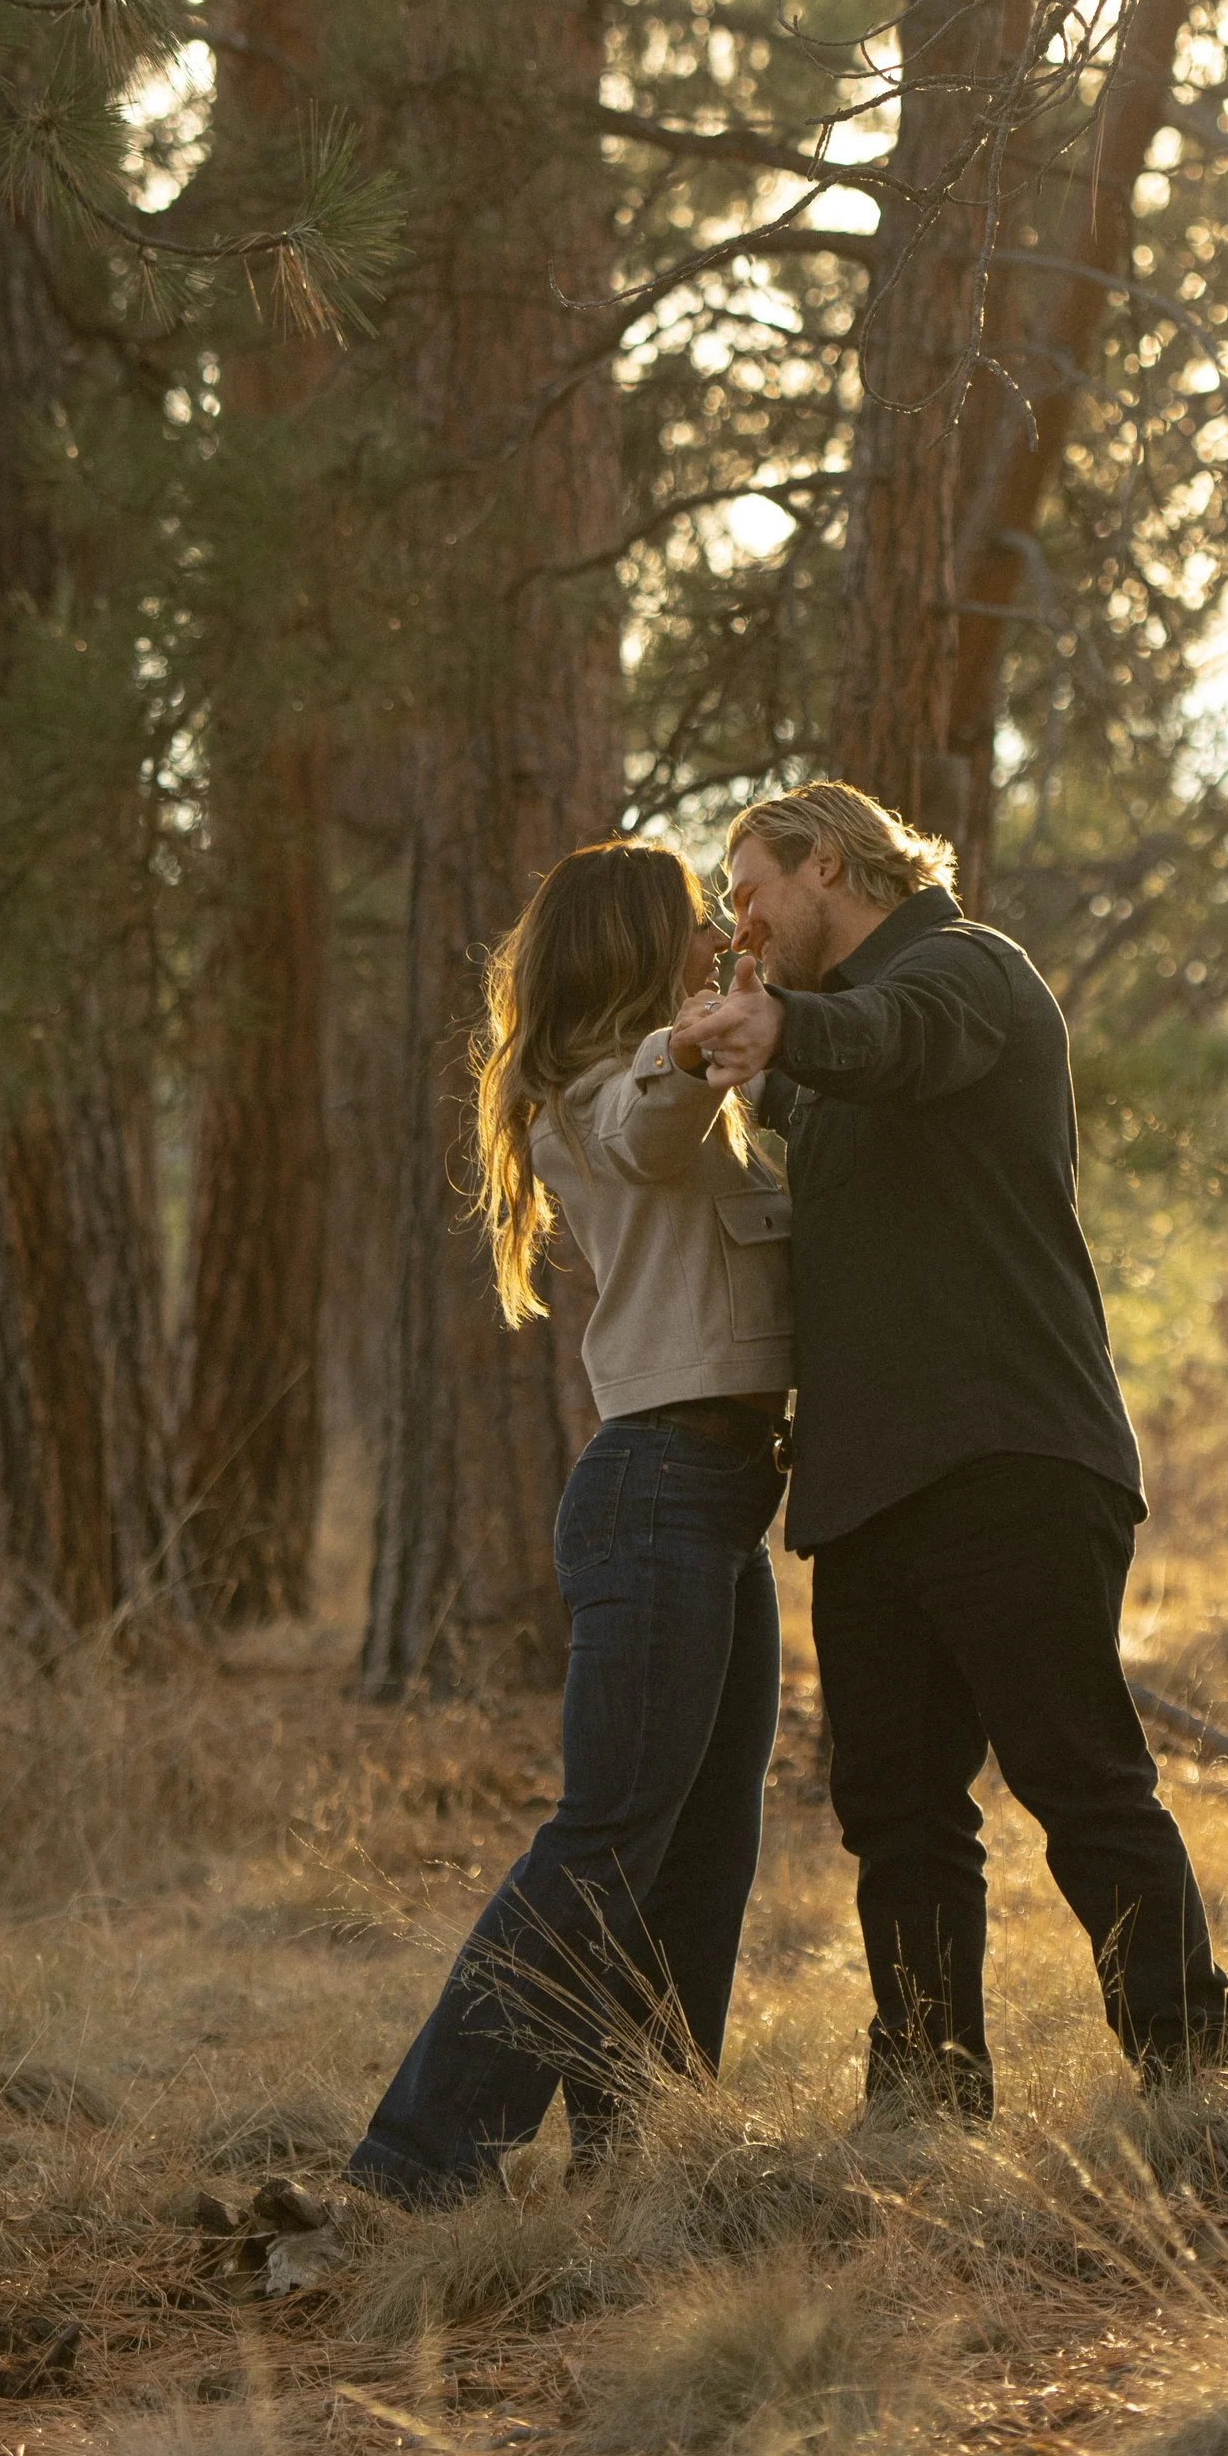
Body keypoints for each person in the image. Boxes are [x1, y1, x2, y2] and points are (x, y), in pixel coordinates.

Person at [676, 780, 1228, 2117]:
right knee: (895, 1812)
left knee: (1078, 1779)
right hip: (867, 1491)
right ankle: (926, 2102)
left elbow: (894, 1036)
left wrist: (783, 1026)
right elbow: (818, 1082)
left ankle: (1193, 2084)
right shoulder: (823, 1052)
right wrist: (731, 1047)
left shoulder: (968, 972)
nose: (740, 924)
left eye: (750, 890)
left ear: (829, 861)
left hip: (1011, 1462)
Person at [348, 839, 793, 2207]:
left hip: (722, 1499)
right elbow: (644, 1121)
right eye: (694, 918)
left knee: (701, 1848)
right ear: (635, 946)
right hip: (656, 1490)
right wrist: (697, 1036)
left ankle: (640, 2156)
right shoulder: (599, 1098)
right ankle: (416, 2164)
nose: (715, 933)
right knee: (605, 1837)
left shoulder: (696, 1097)